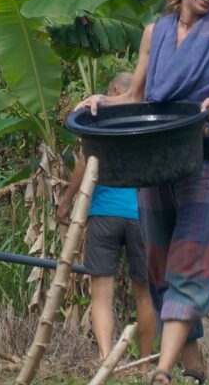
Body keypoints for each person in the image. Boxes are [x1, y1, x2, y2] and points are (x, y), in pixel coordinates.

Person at [75, 0, 209, 385]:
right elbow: (137, 97)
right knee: (159, 270)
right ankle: (194, 371)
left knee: (190, 263)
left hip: (203, 159)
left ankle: (162, 370)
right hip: (153, 165)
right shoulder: (154, 31)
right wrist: (102, 101)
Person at [56, 72, 156, 362]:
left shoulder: (101, 120)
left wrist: (66, 203)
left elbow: (85, 163)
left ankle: (104, 359)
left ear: (114, 89)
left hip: (104, 214)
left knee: (101, 294)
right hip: (141, 213)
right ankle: (144, 363)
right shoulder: (146, 120)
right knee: (145, 294)